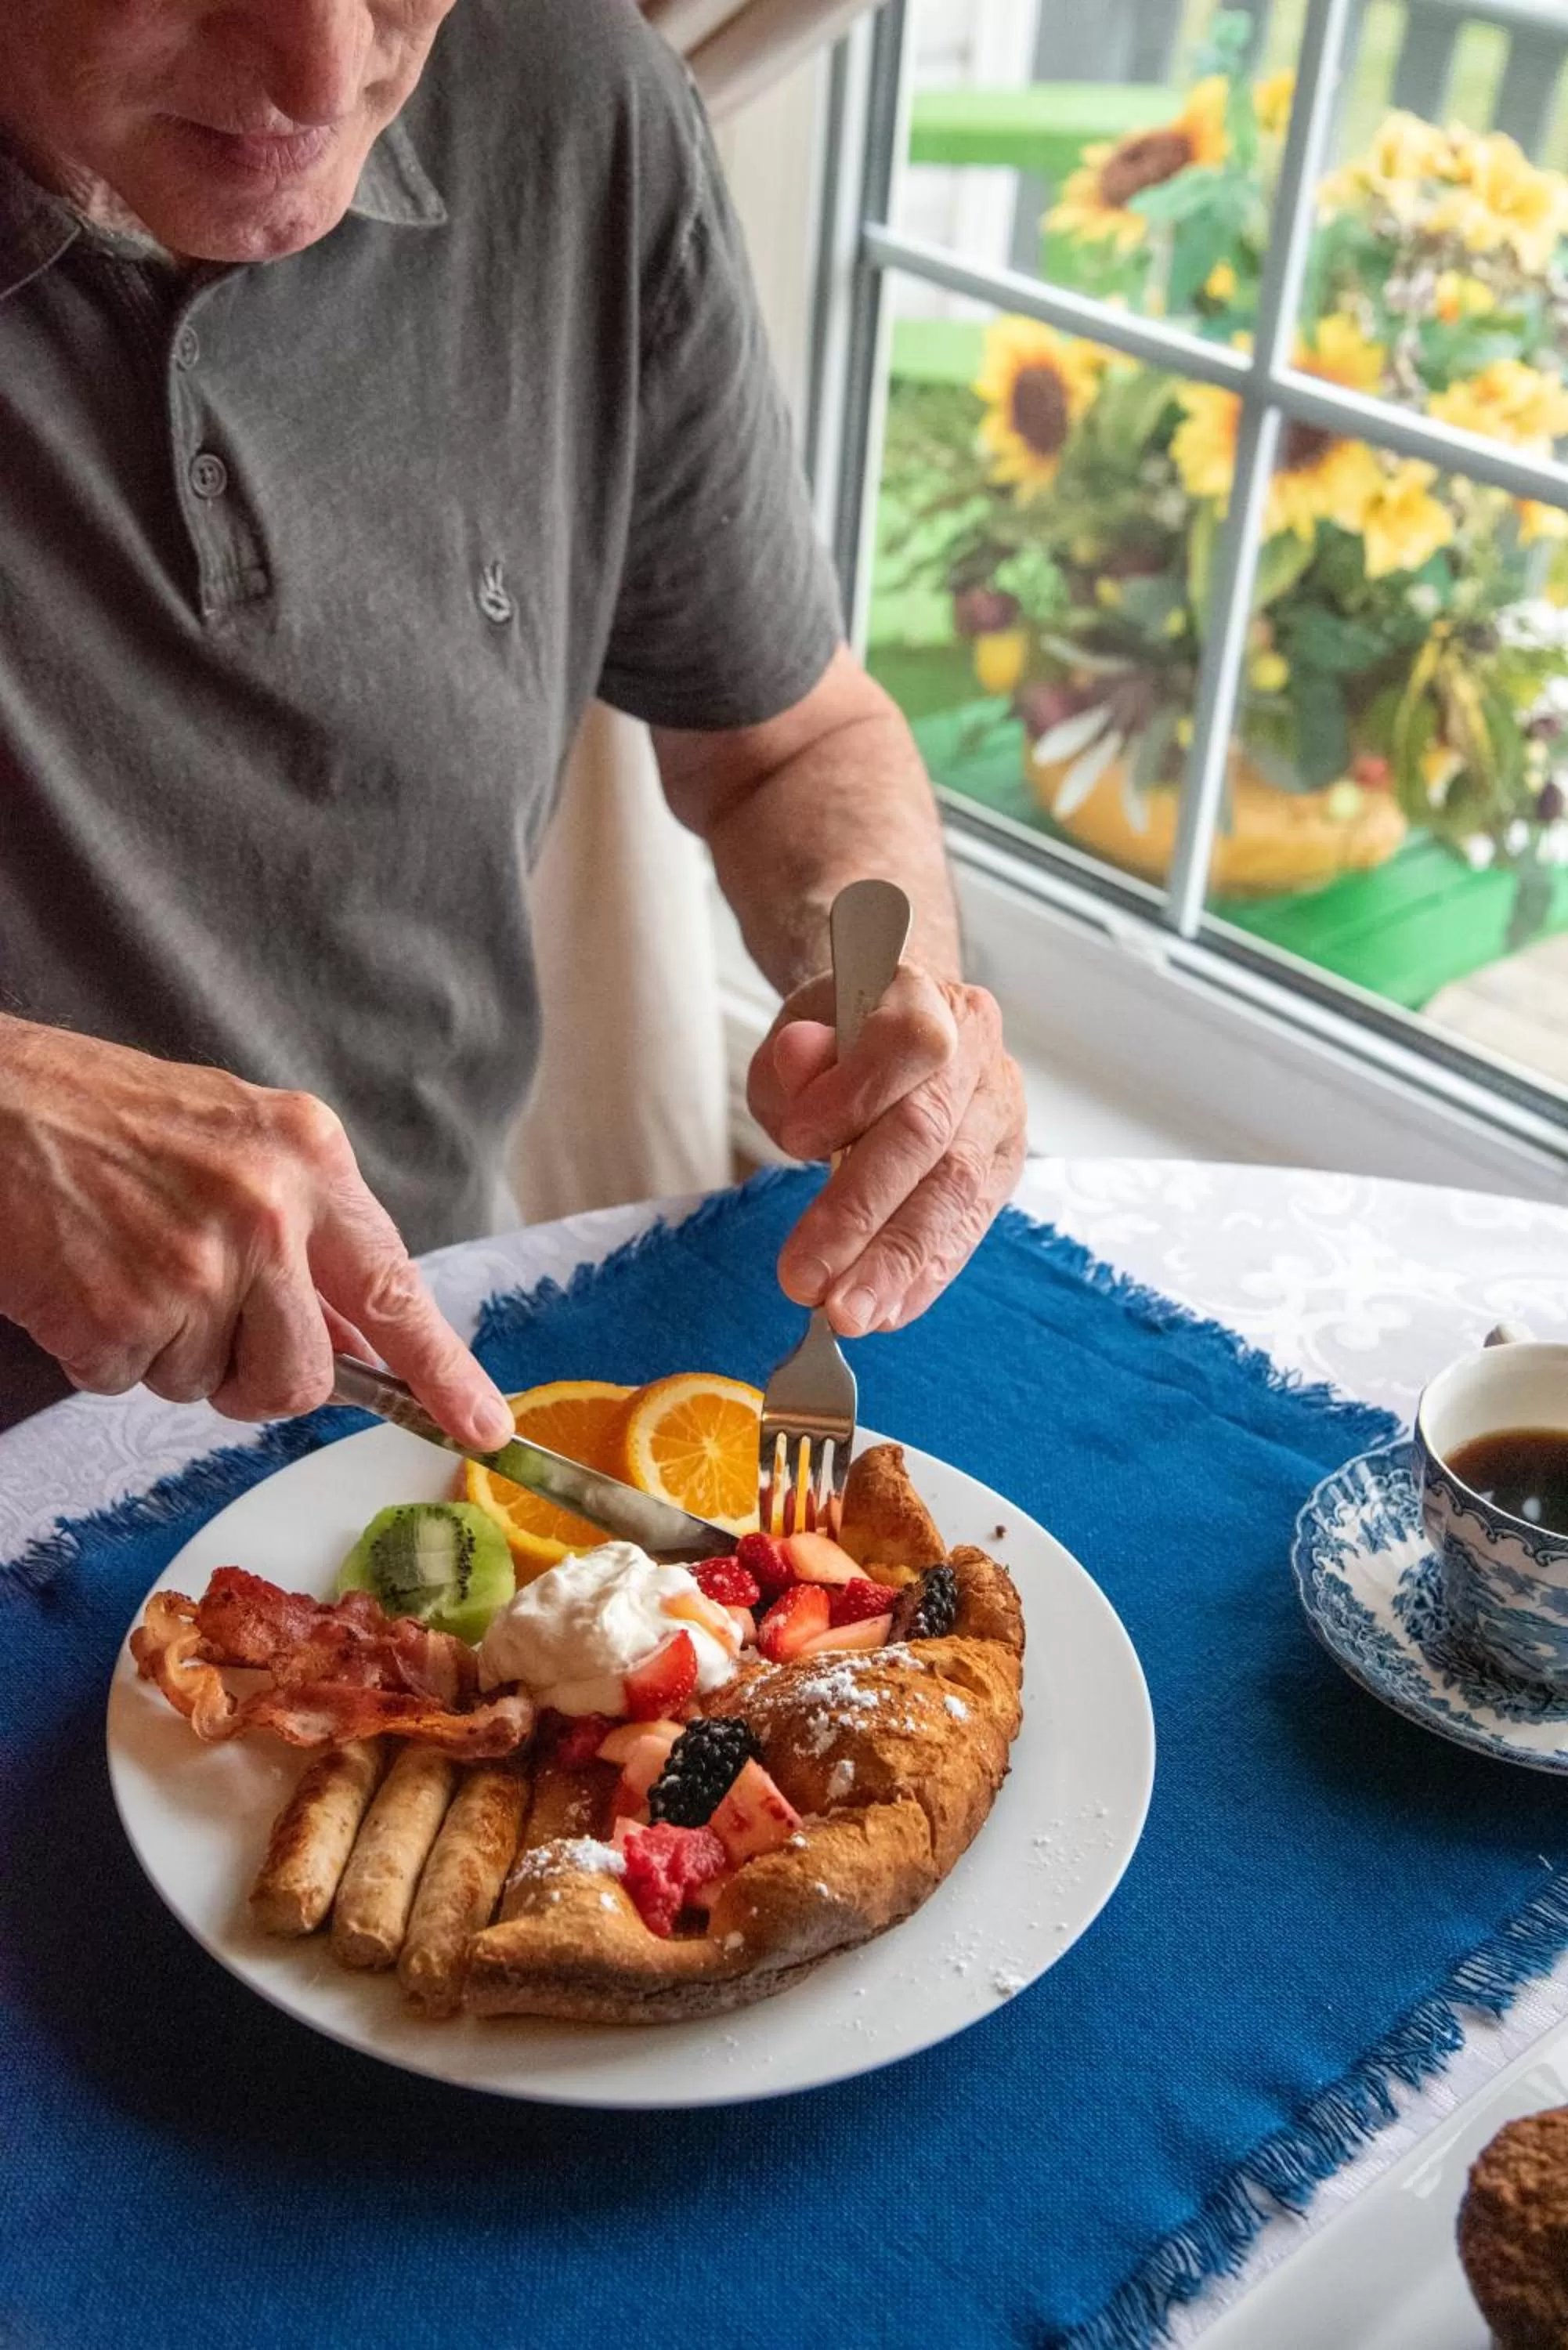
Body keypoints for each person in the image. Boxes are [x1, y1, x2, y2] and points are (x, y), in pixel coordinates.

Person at [0, 0, 1027, 1448]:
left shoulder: (573, 101)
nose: (321, 75)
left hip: (413, 1384)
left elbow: (786, 742)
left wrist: (890, 984)